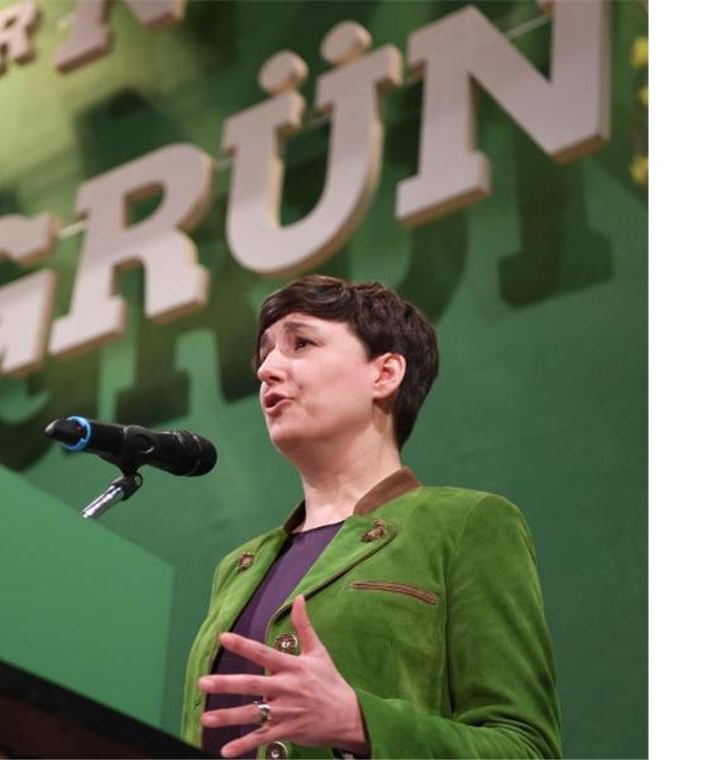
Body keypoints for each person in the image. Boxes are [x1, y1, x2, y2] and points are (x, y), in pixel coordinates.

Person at [180, 276, 561, 759]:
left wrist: (361, 723)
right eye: (265, 353)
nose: (268, 369)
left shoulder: (468, 524)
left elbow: (527, 749)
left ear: (384, 374)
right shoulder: (237, 567)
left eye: (301, 343)